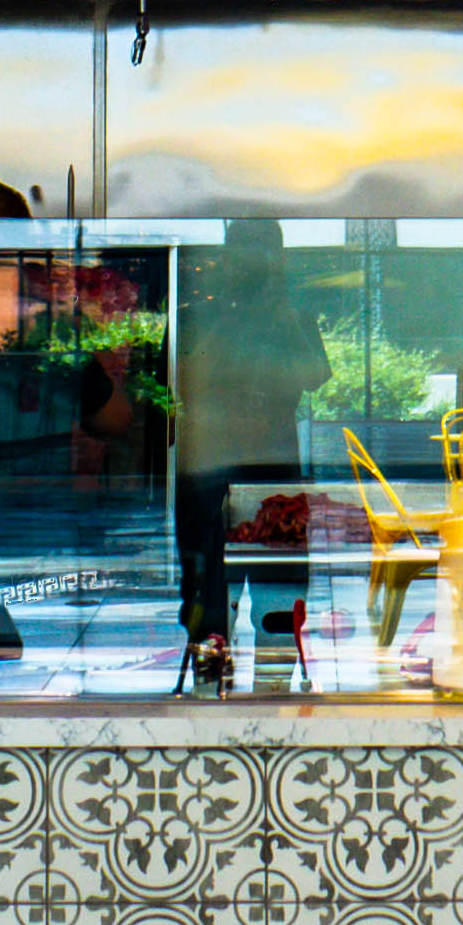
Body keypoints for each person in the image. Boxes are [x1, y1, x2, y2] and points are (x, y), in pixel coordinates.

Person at [169, 218, 324, 682]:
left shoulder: (288, 311)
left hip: (266, 466)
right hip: (213, 464)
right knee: (208, 597)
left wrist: (282, 316)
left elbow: (314, 374)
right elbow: (173, 380)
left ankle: (272, 687)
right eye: (245, 253)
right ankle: (211, 684)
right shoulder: (199, 308)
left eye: (263, 255)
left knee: (278, 595)